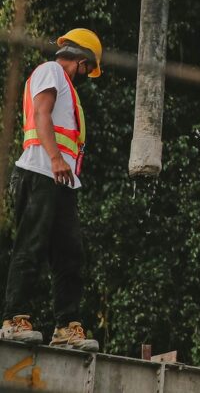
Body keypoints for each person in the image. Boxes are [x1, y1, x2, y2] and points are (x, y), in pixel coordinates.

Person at [1, 29, 103, 351]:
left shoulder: (67, 86)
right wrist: (57, 158)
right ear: (82, 60)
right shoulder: (52, 71)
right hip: (41, 172)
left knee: (70, 255)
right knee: (30, 247)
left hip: (60, 180)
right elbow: (42, 113)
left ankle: (66, 326)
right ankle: (13, 319)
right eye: (88, 69)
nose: (87, 75)